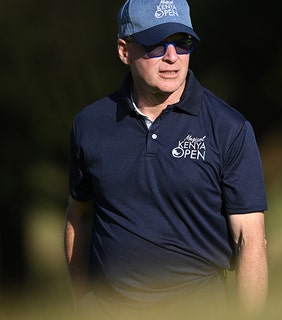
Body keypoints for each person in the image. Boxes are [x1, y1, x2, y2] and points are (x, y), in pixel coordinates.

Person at [64, 0, 268, 318]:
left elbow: (250, 239)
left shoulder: (230, 128)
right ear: (124, 50)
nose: (172, 57)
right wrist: (81, 302)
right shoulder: (89, 125)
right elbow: (80, 215)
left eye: (182, 43)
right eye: (156, 45)